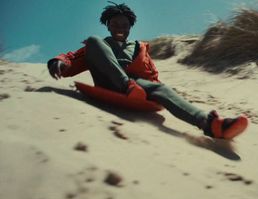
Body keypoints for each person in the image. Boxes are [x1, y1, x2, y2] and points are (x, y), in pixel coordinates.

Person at [47, 2, 247, 139]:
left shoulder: (139, 47)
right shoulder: (100, 44)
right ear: (108, 25)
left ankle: (211, 125)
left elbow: (152, 76)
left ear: (129, 27)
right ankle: (126, 85)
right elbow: (73, 60)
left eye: (124, 25)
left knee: (163, 89)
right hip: (110, 82)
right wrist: (60, 61)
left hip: (137, 87)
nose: (119, 27)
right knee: (92, 40)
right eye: (114, 24)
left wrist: (155, 92)